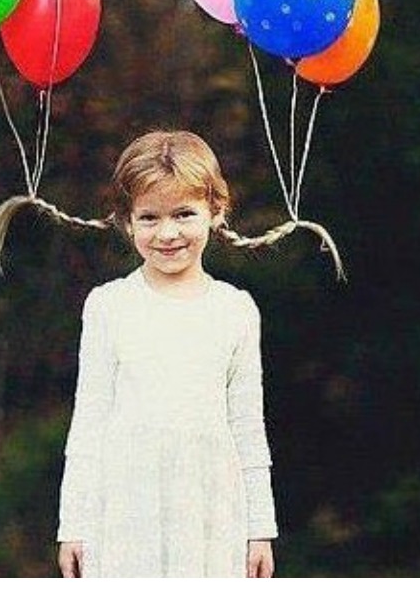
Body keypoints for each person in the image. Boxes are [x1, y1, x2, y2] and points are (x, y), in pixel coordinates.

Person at [55, 130, 277, 578]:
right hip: (122, 511)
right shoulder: (108, 306)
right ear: (127, 221)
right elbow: (89, 423)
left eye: (184, 214)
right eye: (150, 217)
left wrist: (260, 529)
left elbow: (248, 427)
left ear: (216, 212)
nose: (168, 233)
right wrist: (72, 525)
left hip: (211, 511)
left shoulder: (235, 310)